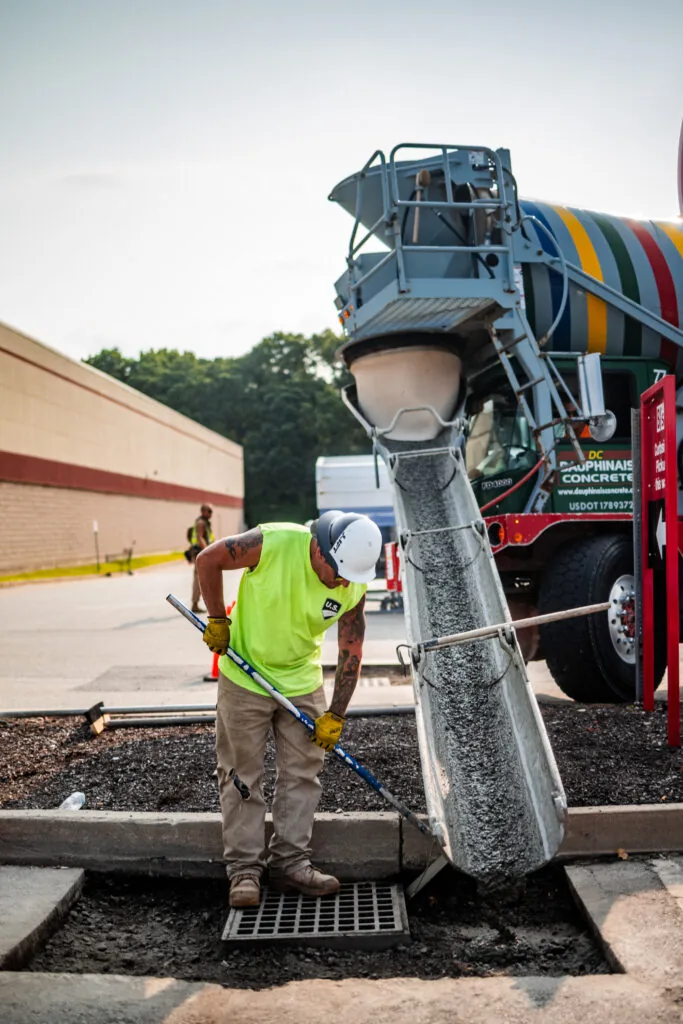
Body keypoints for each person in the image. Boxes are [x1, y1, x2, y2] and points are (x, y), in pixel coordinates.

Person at [196, 512, 382, 908]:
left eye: (351, 577)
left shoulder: (354, 581)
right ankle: (245, 870)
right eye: (338, 573)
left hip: (301, 681)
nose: (343, 583)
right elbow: (207, 559)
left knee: (303, 773)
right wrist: (217, 618)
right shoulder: (274, 543)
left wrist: (336, 713)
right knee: (241, 774)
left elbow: (352, 648)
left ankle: (291, 863)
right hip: (246, 677)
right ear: (319, 548)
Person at [189, 504, 214, 613]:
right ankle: (195, 603)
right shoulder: (201, 523)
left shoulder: (205, 523)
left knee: (202, 578)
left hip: (200, 553)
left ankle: (200, 602)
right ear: (203, 511)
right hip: (200, 553)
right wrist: (207, 552)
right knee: (199, 578)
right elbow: (200, 538)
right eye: (209, 511)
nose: (211, 514)